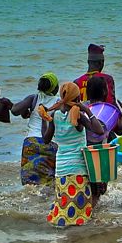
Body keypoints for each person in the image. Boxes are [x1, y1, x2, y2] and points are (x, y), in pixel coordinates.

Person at [40, 82, 105, 227]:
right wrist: (87, 111)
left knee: (64, 205)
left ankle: (63, 235)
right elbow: (99, 131)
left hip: (61, 170)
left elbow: (45, 139)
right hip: (78, 169)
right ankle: (77, 240)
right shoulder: (78, 115)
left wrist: (44, 120)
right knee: (80, 210)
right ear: (78, 98)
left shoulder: (55, 115)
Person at [84, 76, 122, 206]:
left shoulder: (84, 107)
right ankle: (93, 215)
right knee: (97, 190)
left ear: (87, 92)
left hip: (83, 152)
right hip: (100, 154)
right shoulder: (108, 110)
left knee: (86, 185)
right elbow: (120, 130)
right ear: (105, 92)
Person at [10, 72, 60, 185]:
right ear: (56, 88)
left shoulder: (34, 98)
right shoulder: (58, 102)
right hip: (50, 143)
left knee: (29, 182)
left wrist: (25, 111)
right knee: (49, 181)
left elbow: (14, 110)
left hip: (31, 143)